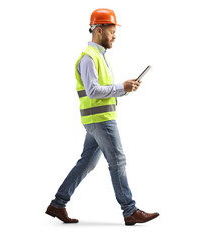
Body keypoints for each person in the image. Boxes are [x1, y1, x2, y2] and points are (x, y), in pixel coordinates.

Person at [45, 8, 159, 226]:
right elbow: (93, 91)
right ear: (99, 30)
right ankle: (130, 210)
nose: (115, 36)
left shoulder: (100, 57)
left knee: (86, 163)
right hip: (101, 121)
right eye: (112, 31)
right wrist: (120, 87)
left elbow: (104, 90)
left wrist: (126, 88)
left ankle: (57, 204)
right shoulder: (89, 58)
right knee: (118, 161)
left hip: (97, 120)